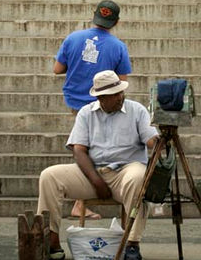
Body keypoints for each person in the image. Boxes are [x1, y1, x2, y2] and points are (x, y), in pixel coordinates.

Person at [37, 70, 159, 260]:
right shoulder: (86, 113)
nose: (120, 97)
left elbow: (151, 140)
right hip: (91, 173)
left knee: (139, 175)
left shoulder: (137, 110)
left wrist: (161, 138)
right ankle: (51, 240)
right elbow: (79, 150)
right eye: (114, 94)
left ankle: (133, 244)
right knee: (49, 176)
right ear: (101, 97)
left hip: (124, 173)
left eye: (121, 92)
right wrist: (96, 181)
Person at [54, 0, 132, 219]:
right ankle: (81, 203)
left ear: (94, 15)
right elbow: (122, 81)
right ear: (116, 22)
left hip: (75, 102)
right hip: (101, 104)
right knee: (90, 150)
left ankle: (81, 202)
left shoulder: (73, 38)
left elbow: (57, 68)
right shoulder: (118, 46)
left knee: (85, 148)